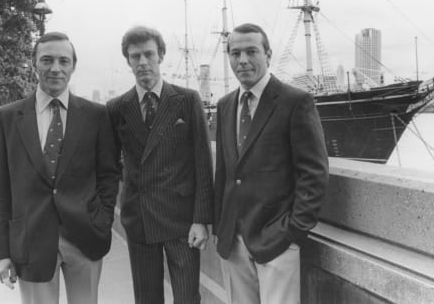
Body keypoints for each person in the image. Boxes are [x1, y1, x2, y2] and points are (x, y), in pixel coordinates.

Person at [0, 32, 120, 304]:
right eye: (46, 60)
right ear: (34, 64)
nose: (55, 68)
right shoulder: (7, 118)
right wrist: (0, 252)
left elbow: (109, 174)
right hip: (30, 239)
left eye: (63, 61)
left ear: (73, 66)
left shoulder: (97, 115)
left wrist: (102, 219)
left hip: (86, 238)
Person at [213, 23, 329, 304]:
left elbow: (313, 172)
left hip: (277, 240)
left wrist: (293, 232)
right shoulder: (225, 105)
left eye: (252, 51)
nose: (243, 60)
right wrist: (220, 227)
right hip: (233, 241)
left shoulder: (295, 101)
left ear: (268, 54)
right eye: (235, 53)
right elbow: (225, 172)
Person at [107, 26, 213, 304]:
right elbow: (109, 166)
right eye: (135, 56)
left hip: (181, 221)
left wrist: (201, 219)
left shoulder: (187, 100)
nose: (142, 62)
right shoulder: (117, 107)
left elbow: (203, 162)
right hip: (139, 219)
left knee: (187, 297)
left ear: (161, 55)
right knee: (146, 298)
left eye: (149, 54)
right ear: (128, 61)